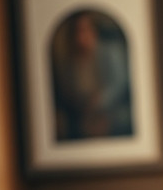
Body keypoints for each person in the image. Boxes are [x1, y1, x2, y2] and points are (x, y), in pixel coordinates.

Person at [51, 10, 133, 141]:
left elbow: (120, 83)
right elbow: (67, 92)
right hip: (82, 114)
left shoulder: (111, 52)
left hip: (112, 110)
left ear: (94, 31)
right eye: (76, 32)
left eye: (84, 30)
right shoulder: (69, 63)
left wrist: (99, 100)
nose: (80, 37)